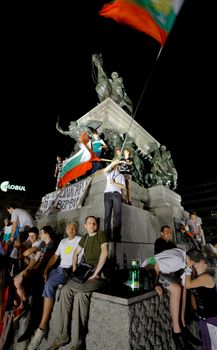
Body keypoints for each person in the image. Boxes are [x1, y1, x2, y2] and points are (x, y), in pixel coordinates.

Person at [48, 215, 109, 350]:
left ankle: (78, 341)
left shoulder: (101, 235)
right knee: (64, 291)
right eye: (89, 223)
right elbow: (75, 253)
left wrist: (96, 273)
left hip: (99, 274)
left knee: (81, 294)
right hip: (85, 272)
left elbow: (105, 253)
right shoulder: (85, 238)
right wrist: (75, 269)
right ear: (85, 226)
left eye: (94, 223)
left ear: (96, 225)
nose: (92, 225)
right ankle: (63, 335)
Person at [20, 222, 81, 348]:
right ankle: (29, 316)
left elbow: (45, 257)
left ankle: (41, 327)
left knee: (44, 286)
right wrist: (45, 270)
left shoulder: (77, 240)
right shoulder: (59, 242)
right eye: (69, 227)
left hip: (66, 270)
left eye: (74, 227)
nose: (71, 229)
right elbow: (51, 257)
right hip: (54, 269)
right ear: (65, 229)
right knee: (31, 284)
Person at [141, 248, 203, 348]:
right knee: (176, 289)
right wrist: (155, 283)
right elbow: (154, 261)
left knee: (183, 288)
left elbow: (186, 284)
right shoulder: (178, 261)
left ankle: (183, 326)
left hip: (159, 270)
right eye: (195, 265)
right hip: (148, 270)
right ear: (191, 261)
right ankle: (176, 332)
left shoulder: (184, 256)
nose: (194, 268)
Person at [13, 225, 57, 322]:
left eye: (41, 233)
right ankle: (22, 305)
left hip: (42, 274)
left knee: (19, 282)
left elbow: (44, 261)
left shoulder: (50, 245)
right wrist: (27, 270)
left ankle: (25, 307)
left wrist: (31, 270)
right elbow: (36, 259)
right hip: (36, 271)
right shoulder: (44, 245)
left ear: (47, 234)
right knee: (15, 280)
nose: (40, 235)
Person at [185, 249, 217, 350]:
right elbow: (194, 294)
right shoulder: (197, 278)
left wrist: (187, 267)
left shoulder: (206, 277)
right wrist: (195, 311)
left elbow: (188, 285)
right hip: (204, 319)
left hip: (212, 319)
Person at [103, 158, 125, 242]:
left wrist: (114, 183)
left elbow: (123, 187)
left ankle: (116, 237)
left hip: (117, 194)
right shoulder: (109, 173)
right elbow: (104, 171)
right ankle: (106, 236)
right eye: (118, 164)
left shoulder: (121, 176)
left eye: (119, 165)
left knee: (117, 215)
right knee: (107, 216)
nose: (119, 166)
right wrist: (112, 163)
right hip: (107, 194)